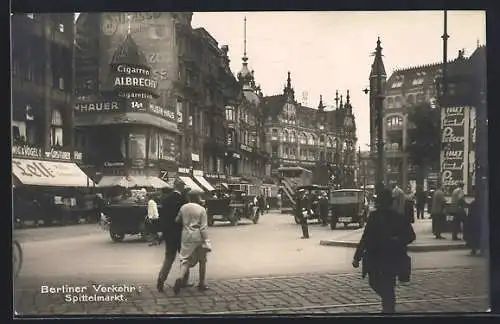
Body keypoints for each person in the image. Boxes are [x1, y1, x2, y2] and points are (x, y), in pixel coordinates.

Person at [352, 187, 416, 313]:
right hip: (383, 257)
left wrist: (357, 257)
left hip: (383, 258)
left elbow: (365, 238)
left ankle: (388, 310)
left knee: (381, 284)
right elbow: (366, 237)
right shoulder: (379, 216)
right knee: (382, 284)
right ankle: (388, 306)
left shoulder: (393, 217)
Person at [173, 190, 211, 295]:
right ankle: (202, 283)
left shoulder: (183, 207)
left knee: (185, 260)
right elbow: (203, 228)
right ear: (198, 197)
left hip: (186, 236)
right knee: (202, 260)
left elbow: (177, 220)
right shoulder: (202, 209)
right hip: (198, 236)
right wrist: (207, 241)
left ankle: (180, 278)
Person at [156, 180, 190, 293]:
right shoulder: (183, 200)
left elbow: (162, 218)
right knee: (184, 258)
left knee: (169, 257)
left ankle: (161, 278)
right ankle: (184, 280)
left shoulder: (165, 199)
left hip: (169, 233)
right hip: (181, 233)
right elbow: (185, 217)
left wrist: (162, 231)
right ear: (181, 187)